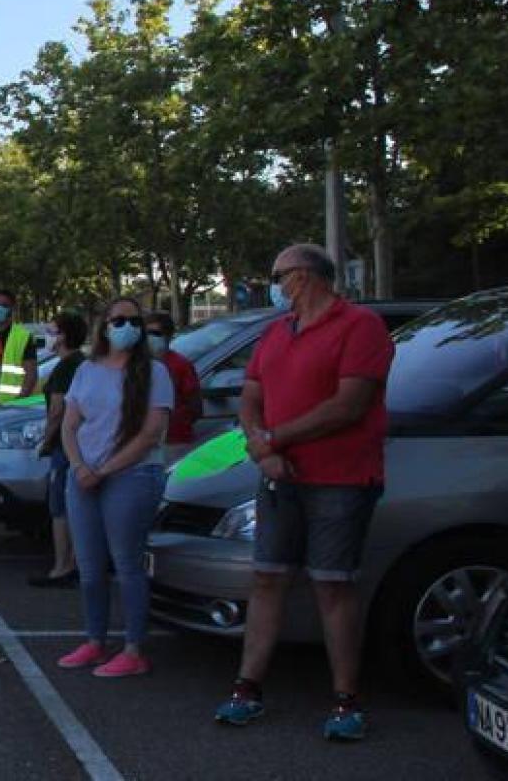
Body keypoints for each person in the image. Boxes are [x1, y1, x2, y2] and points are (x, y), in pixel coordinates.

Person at [215, 244, 394, 742]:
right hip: (279, 477)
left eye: (277, 276)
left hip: (339, 479)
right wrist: (261, 446)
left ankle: (345, 698)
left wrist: (277, 438)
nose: (272, 286)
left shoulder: (361, 327)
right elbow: (251, 398)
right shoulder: (276, 332)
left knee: (332, 585)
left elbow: (348, 405)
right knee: (268, 579)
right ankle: (247, 688)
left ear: (304, 276)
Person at [56, 298, 173, 679]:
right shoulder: (87, 370)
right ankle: (95, 640)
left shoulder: (154, 373)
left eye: (134, 321)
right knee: (89, 569)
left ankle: (134, 648)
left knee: (127, 564)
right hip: (84, 476)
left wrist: (103, 470)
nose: (127, 327)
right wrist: (78, 466)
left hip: (130, 476)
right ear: (104, 325)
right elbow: (69, 424)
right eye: (118, 320)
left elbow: (150, 434)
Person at [29, 311, 89, 589]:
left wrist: (47, 440)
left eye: (54, 331)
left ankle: (62, 567)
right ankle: (76, 563)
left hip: (65, 446)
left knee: (60, 508)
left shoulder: (67, 366)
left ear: (65, 335)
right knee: (75, 506)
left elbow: (57, 409)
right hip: (78, 444)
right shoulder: (81, 363)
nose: (50, 335)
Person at [145, 311, 204, 449]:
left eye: (155, 333)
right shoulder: (135, 365)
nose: (149, 338)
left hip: (175, 443)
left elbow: (195, 407)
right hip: (143, 444)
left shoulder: (181, 365)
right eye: (146, 333)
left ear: (168, 336)